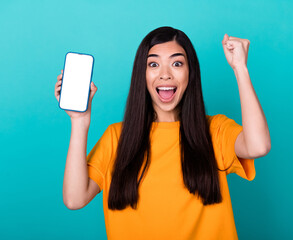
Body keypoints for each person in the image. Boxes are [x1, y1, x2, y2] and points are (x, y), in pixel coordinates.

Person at [54, 26, 271, 240]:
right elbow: (74, 199)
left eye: (177, 63)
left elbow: (258, 146)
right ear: (142, 74)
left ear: (190, 73)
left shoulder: (214, 131)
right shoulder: (117, 137)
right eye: (153, 64)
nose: (165, 74)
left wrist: (240, 68)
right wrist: (79, 121)